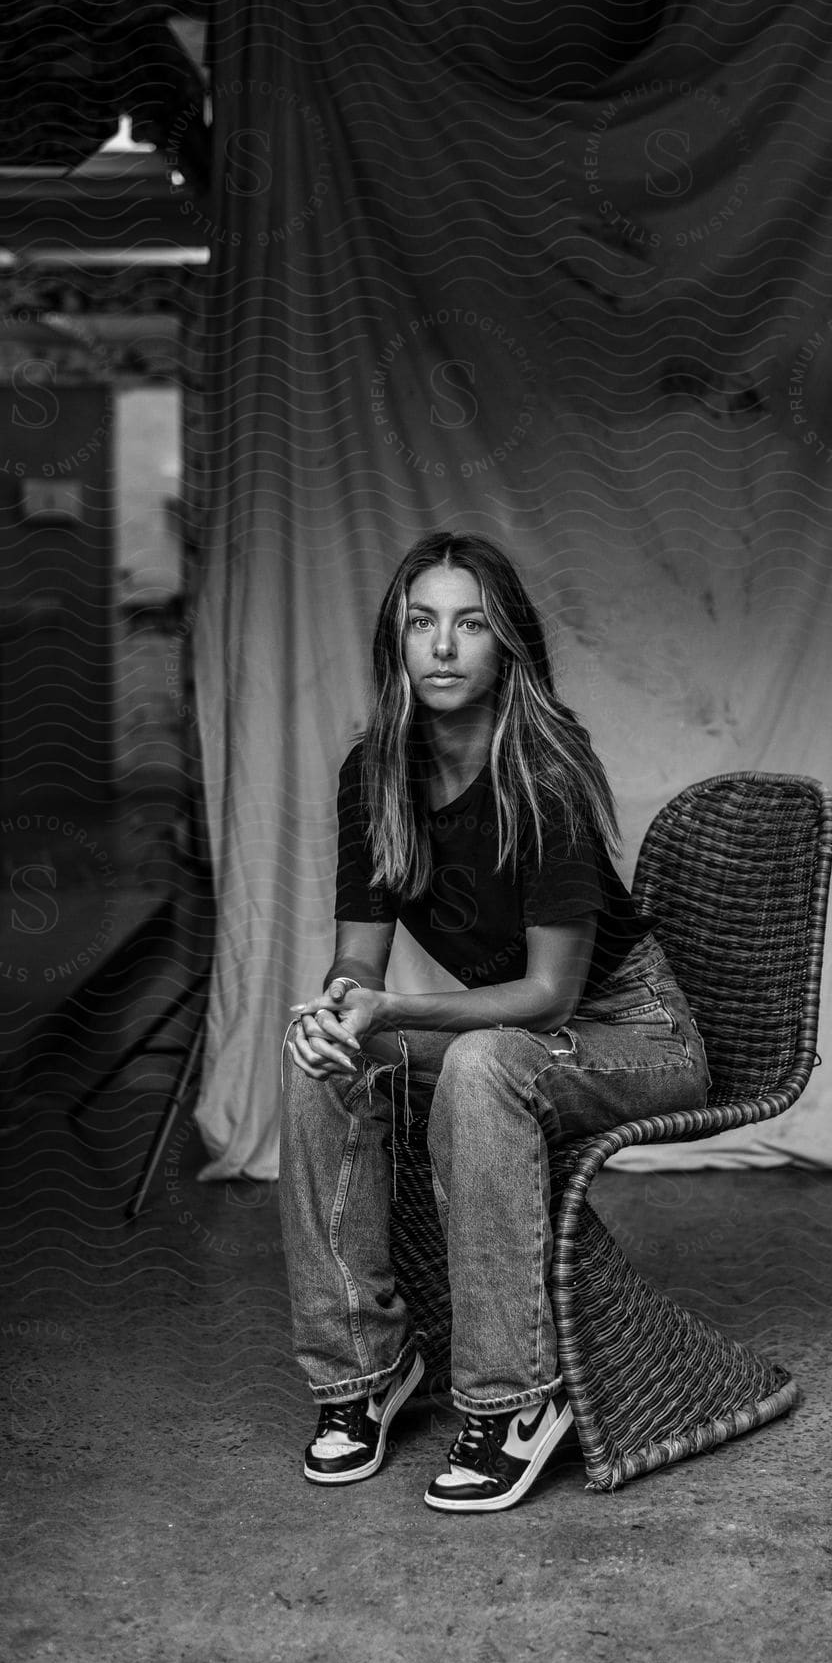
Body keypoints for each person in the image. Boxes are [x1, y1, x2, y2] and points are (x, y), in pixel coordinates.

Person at [279, 531, 710, 1513]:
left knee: (480, 1066)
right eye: (421, 622)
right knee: (323, 1063)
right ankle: (363, 1375)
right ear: (396, 642)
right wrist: (343, 1006)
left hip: (636, 1034)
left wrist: (394, 1007)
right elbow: (360, 952)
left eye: (468, 623)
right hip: (509, 1035)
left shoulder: (546, 773)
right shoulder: (373, 774)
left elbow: (550, 997)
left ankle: (514, 1402)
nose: (442, 646)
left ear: (504, 644)